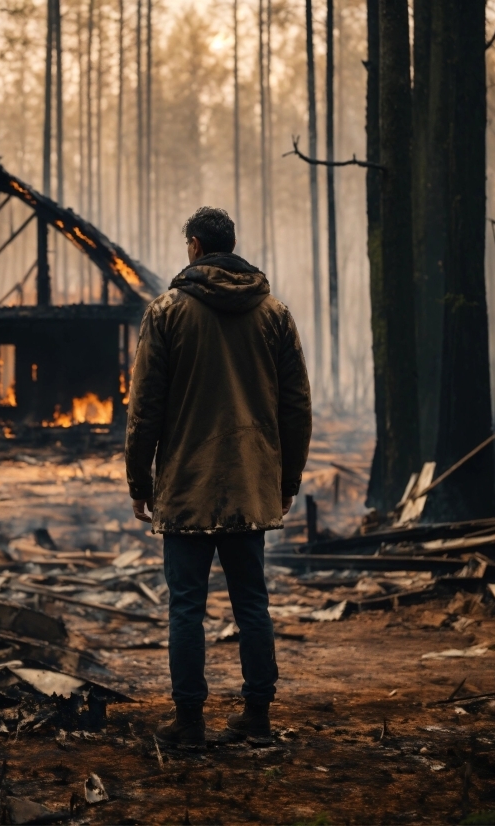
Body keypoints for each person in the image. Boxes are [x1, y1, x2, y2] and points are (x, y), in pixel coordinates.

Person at [125, 206, 312, 748]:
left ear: (195, 247)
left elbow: (144, 410)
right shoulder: (274, 314)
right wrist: (287, 480)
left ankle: (188, 724)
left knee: (186, 606)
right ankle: (257, 718)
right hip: (252, 486)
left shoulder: (166, 313)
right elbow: (297, 406)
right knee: (252, 602)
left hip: (186, 486)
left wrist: (141, 483)